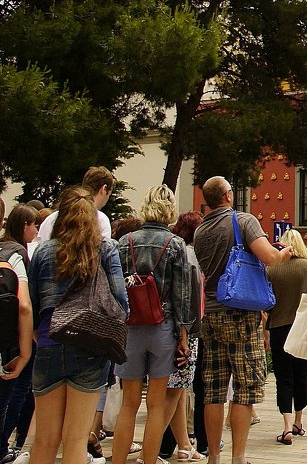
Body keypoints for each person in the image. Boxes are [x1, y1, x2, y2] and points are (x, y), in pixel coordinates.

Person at [193, 177, 292, 464]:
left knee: (213, 390)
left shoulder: (200, 230)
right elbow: (270, 258)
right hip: (240, 313)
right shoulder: (243, 220)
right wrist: (283, 252)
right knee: (245, 388)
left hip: (209, 315)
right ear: (227, 195)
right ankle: (238, 457)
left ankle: (213, 456)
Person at [27, 187, 128, 464]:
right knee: (75, 440)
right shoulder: (106, 249)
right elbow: (121, 303)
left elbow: (34, 304)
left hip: (48, 343)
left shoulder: (44, 251)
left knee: (45, 440)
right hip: (90, 346)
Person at [112, 186, 192, 464]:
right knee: (156, 405)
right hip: (163, 327)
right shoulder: (176, 244)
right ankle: (149, 460)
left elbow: (116, 289)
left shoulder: (124, 242)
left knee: (129, 404)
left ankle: (119, 460)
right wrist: (183, 335)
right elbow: (182, 295)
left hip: (131, 326)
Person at [159, 211, 206, 461]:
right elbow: (186, 299)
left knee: (178, 390)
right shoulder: (190, 256)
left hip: (175, 329)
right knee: (175, 391)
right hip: (185, 331)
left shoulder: (177, 251)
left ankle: (184, 444)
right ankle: (153, 445)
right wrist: (186, 336)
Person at [265, 229, 307, 445]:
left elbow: (266, 301)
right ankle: (298, 422)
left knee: (283, 377)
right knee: (301, 375)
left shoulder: (272, 269)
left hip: (278, 328)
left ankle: (285, 427)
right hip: (302, 329)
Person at [0, 204, 39, 464]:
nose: (36, 230)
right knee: (12, 394)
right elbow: (24, 305)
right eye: (33, 224)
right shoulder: (14, 255)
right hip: (9, 342)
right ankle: (3, 446)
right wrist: (26, 350)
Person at [37, 167, 114, 242]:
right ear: (104, 188)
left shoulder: (51, 219)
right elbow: (104, 253)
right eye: (109, 194)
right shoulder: (101, 220)